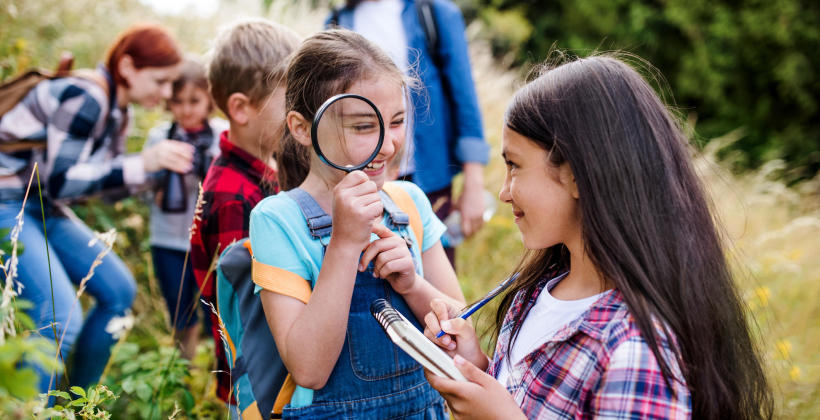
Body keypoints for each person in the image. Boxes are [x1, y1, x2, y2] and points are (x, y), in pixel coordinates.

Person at [422, 55, 774, 419]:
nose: (504, 192)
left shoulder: (635, 349)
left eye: (515, 166)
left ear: (575, 174)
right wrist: (474, 366)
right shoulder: (535, 291)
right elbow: (526, 398)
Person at [249, 29, 465, 417]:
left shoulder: (409, 203)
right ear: (302, 128)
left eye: (397, 121)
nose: (388, 145)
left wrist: (412, 284)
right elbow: (309, 370)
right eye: (364, 126)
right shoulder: (277, 220)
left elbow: (462, 337)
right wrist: (344, 245)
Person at [0, 23, 186, 393]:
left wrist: (154, 176)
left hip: (41, 205)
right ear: (129, 66)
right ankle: (32, 411)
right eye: (160, 81)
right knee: (58, 320)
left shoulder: (119, 113)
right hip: (7, 202)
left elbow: (96, 186)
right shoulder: (88, 96)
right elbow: (63, 181)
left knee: (118, 290)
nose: (166, 93)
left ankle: (77, 404)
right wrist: (141, 163)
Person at [188, 19, 300, 408]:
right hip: (261, 386)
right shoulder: (234, 197)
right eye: (290, 100)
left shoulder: (264, 172)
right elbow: (247, 311)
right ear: (241, 108)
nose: (298, 113)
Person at [327, 0, 490, 267]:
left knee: (436, 272)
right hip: (363, 175)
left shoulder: (433, 13)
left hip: (429, 180)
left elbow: (464, 95)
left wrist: (474, 181)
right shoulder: (338, 21)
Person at [142, 58, 227, 360]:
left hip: (211, 242)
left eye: (194, 101)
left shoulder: (221, 135)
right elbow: (141, 188)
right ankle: (182, 375)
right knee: (180, 313)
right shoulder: (160, 137)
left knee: (217, 317)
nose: (187, 109)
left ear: (209, 100)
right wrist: (159, 190)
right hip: (168, 239)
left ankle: (220, 378)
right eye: (178, 102)